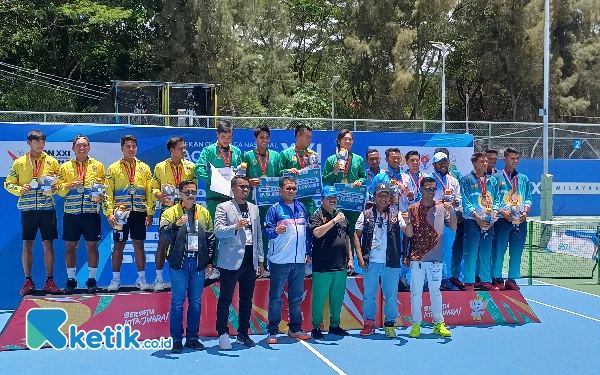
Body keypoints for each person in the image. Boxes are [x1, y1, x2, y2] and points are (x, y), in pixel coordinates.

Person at [160, 180, 215, 353]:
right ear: (180, 194)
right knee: (177, 303)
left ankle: (192, 337)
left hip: (197, 263)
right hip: (179, 264)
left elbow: (211, 238)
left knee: (195, 302)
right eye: (187, 192)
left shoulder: (204, 212)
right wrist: (176, 224)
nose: (191, 195)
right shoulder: (171, 212)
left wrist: (209, 262)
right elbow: (163, 233)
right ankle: (176, 339)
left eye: (193, 192)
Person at [4, 129, 61, 295]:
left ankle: (49, 281)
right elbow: (8, 184)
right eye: (37, 142)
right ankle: (28, 281)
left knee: (48, 244)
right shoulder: (19, 163)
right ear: (29, 143)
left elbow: (59, 184)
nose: (41, 145)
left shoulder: (52, 161)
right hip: (28, 209)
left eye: (43, 142)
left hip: (47, 208)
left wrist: (56, 187)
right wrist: (20, 189)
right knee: (27, 244)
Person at [214, 176, 264, 350]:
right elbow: (218, 231)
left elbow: (258, 236)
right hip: (230, 260)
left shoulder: (254, 209)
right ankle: (223, 333)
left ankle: (243, 333)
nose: (245, 190)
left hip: (250, 258)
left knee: (246, 299)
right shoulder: (223, 207)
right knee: (225, 299)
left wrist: (260, 260)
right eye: (242, 187)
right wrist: (235, 226)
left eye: (247, 187)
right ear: (233, 189)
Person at [355, 182, 409, 338]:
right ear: (374, 197)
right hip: (370, 262)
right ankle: (369, 322)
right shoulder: (365, 214)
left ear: (391, 198)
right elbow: (356, 236)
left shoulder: (397, 214)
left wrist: (409, 221)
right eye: (381, 195)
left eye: (387, 195)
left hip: (391, 262)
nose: (384, 199)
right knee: (369, 294)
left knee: (391, 295)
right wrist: (359, 256)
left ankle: (390, 323)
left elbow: (408, 233)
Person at [263, 176, 312, 343]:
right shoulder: (274, 209)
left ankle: (295, 329)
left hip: (299, 261)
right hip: (280, 261)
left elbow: (307, 233)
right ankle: (272, 331)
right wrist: (276, 230)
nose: (291, 191)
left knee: (296, 297)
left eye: (294, 188)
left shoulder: (302, 207)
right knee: (276, 296)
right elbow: (266, 232)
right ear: (280, 190)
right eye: (288, 188)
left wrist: (308, 252)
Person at [104, 135, 155, 291]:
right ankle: (115, 280)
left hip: (139, 211)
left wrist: (150, 212)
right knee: (118, 245)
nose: (131, 149)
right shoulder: (113, 168)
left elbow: (150, 191)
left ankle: (141, 279)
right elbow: (107, 192)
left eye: (134, 146)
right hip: (120, 214)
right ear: (122, 148)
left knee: (139, 244)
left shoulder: (144, 168)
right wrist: (108, 213)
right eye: (128, 146)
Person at [405, 177, 454, 338]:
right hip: (416, 257)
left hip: (435, 258)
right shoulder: (412, 208)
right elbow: (408, 235)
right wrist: (405, 254)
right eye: (428, 189)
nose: (431, 192)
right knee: (416, 293)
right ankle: (416, 325)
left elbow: (453, 227)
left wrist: (452, 211)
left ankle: (438, 323)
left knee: (435, 292)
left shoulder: (441, 207)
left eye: (433, 189)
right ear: (421, 190)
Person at [56, 135, 106, 294]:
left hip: (91, 213)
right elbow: (58, 189)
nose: (82, 148)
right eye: (79, 145)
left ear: (89, 147)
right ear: (73, 148)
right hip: (71, 213)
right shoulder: (64, 167)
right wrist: (68, 185)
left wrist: (101, 195)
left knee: (92, 246)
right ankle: (71, 280)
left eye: (85, 145)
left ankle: (92, 279)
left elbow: (103, 187)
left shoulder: (98, 166)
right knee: (71, 247)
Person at [195, 120, 243, 280]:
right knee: (216, 232)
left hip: (232, 198)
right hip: (215, 198)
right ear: (217, 135)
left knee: (233, 231)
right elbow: (198, 168)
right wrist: (212, 180)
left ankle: (231, 265)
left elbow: (241, 172)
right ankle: (214, 265)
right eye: (223, 136)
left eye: (229, 137)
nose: (226, 140)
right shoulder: (209, 151)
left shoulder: (236, 151)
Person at [151, 136, 196, 291]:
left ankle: (190, 278)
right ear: (172, 150)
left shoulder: (190, 166)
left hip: (187, 209)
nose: (184, 150)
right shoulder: (160, 167)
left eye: (184, 147)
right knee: (163, 243)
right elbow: (153, 188)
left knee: (190, 244)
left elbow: (194, 188)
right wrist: (158, 195)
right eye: (180, 148)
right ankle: (158, 279)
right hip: (168, 210)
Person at [308, 186, 354, 340]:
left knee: (337, 298)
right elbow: (317, 232)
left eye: (334, 197)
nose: (332, 200)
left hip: (340, 264)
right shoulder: (317, 215)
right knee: (319, 299)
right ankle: (315, 326)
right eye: (329, 198)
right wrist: (334, 221)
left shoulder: (342, 215)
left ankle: (334, 325)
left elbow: (347, 238)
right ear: (322, 200)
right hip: (323, 265)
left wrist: (351, 259)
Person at [322, 130, 366, 275]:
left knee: (351, 232)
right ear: (339, 141)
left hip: (352, 201)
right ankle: (336, 262)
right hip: (336, 201)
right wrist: (334, 172)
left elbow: (364, 177)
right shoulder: (331, 160)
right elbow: (325, 181)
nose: (347, 142)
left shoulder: (358, 159)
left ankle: (350, 263)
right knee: (336, 232)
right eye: (345, 139)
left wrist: (361, 181)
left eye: (350, 140)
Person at [243, 125, 281, 278]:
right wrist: (249, 181)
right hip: (254, 202)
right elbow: (240, 178)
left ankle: (268, 265)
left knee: (270, 234)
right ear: (255, 139)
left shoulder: (276, 156)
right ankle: (255, 266)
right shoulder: (248, 156)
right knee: (254, 235)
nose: (264, 140)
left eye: (267, 137)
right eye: (261, 137)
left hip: (272, 203)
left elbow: (280, 176)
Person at [491, 148, 532, 290]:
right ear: (505, 159)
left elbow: (528, 199)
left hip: (520, 220)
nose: (515, 161)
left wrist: (525, 212)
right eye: (512, 158)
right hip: (502, 220)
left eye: (517, 159)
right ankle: (496, 278)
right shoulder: (496, 177)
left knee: (517, 251)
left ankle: (512, 279)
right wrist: (501, 211)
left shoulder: (523, 179)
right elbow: (491, 199)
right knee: (499, 250)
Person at [461, 152, 501, 291]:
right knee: (471, 252)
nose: (485, 163)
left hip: (489, 221)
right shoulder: (467, 180)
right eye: (482, 161)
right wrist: (477, 218)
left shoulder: (493, 180)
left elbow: (497, 200)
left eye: (486, 161)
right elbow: (465, 201)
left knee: (486, 251)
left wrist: (493, 215)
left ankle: (485, 280)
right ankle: (469, 281)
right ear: (474, 163)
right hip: (473, 221)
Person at [431, 152, 462, 291]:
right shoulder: (429, 179)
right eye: (439, 162)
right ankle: (430, 280)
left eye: (445, 161)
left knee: (447, 251)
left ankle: (446, 278)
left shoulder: (453, 181)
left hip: (449, 219)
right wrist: (437, 202)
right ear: (434, 165)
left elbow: (459, 199)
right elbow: (423, 199)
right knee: (431, 251)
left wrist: (456, 202)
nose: (443, 164)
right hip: (433, 219)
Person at [399, 150, 428, 290]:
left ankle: (422, 279)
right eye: (412, 160)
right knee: (405, 248)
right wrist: (408, 196)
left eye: (417, 160)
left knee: (421, 248)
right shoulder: (402, 178)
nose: (415, 163)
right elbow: (399, 197)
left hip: (422, 218)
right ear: (407, 161)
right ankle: (402, 278)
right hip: (406, 217)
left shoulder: (426, 177)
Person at [279, 124, 318, 215]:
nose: (309, 140)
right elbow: (278, 173)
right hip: (290, 198)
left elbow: (316, 174)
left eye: (310, 137)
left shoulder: (313, 155)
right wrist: (287, 171)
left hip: (308, 199)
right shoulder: (285, 154)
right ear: (298, 136)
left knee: (311, 226)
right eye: (307, 137)